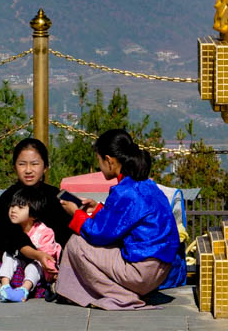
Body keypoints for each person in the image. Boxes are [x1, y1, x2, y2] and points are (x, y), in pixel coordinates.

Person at [55, 129, 186, 310]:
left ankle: (122, 297)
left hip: (141, 271)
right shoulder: (146, 185)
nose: (100, 167)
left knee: (77, 243)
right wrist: (98, 209)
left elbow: (98, 234)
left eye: (100, 161)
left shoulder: (125, 191)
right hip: (160, 271)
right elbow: (122, 220)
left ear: (109, 160)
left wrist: (76, 213)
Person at [0, 137, 71, 298]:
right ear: (15, 167)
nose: (28, 170)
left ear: (45, 167)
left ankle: (19, 286)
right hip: (15, 262)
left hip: (48, 266)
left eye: (34, 164)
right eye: (22, 164)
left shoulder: (57, 196)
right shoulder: (7, 198)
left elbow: (68, 233)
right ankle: (37, 288)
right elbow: (5, 235)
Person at [0, 185, 62, 302]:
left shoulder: (45, 232)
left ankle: (24, 290)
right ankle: (5, 286)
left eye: (20, 207)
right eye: (12, 205)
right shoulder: (11, 228)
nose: (13, 210)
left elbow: (47, 256)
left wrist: (52, 273)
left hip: (38, 268)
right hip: (18, 265)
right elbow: (5, 247)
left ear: (33, 215)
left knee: (34, 267)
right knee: (8, 255)